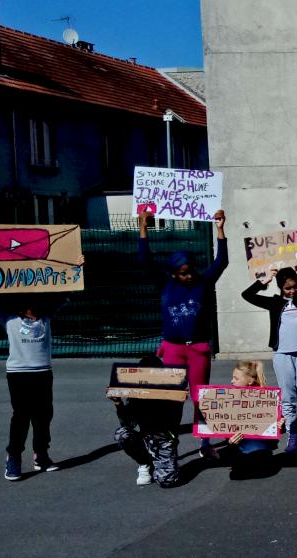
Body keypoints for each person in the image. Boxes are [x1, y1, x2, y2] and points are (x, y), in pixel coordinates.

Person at [0, 258, 81, 480]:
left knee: (44, 415)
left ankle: (41, 455)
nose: (31, 305)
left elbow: (69, 291)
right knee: (21, 416)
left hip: (43, 372)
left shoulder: (46, 317)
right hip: (19, 374)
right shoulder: (9, 319)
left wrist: (78, 267)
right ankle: (14, 458)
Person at [138, 208, 228, 459]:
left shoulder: (203, 282)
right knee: (173, 399)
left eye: (190, 271)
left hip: (197, 348)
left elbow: (221, 262)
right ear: (174, 273)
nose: (189, 276)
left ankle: (205, 443)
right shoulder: (165, 284)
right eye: (183, 273)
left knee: (201, 397)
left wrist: (220, 228)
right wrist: (143, 226)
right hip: (173, 348)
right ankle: (170, 443)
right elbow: (145, 261)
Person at [240, 266, 297, 454]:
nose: (292, 291)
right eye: (287, 288)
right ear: (280, 287)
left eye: (294, 287)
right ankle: (293, 433)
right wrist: (263, 281)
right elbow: (247, 295)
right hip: (282, 354)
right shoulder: (274, 303)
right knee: (288, 398)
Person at [110, 354, 185, 488]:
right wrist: (118, 403)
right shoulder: (136, 395)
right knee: (122, 434)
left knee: (166, 481)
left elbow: (174, 420)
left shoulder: (171, 394)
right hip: (146, 438)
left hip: (164, 440)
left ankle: (163, 463)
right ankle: (144, 462)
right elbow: (127, 424)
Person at [220, 361, 283, 480]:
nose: (231, 381)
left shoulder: (267, 399)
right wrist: (230, 443)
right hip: (242, 452)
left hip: (261, 453)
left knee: (238, 471)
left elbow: (273, 443)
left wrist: (278, 427)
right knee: (236, 470)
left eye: (236, 378)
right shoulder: (227, 401)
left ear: (250, 381)